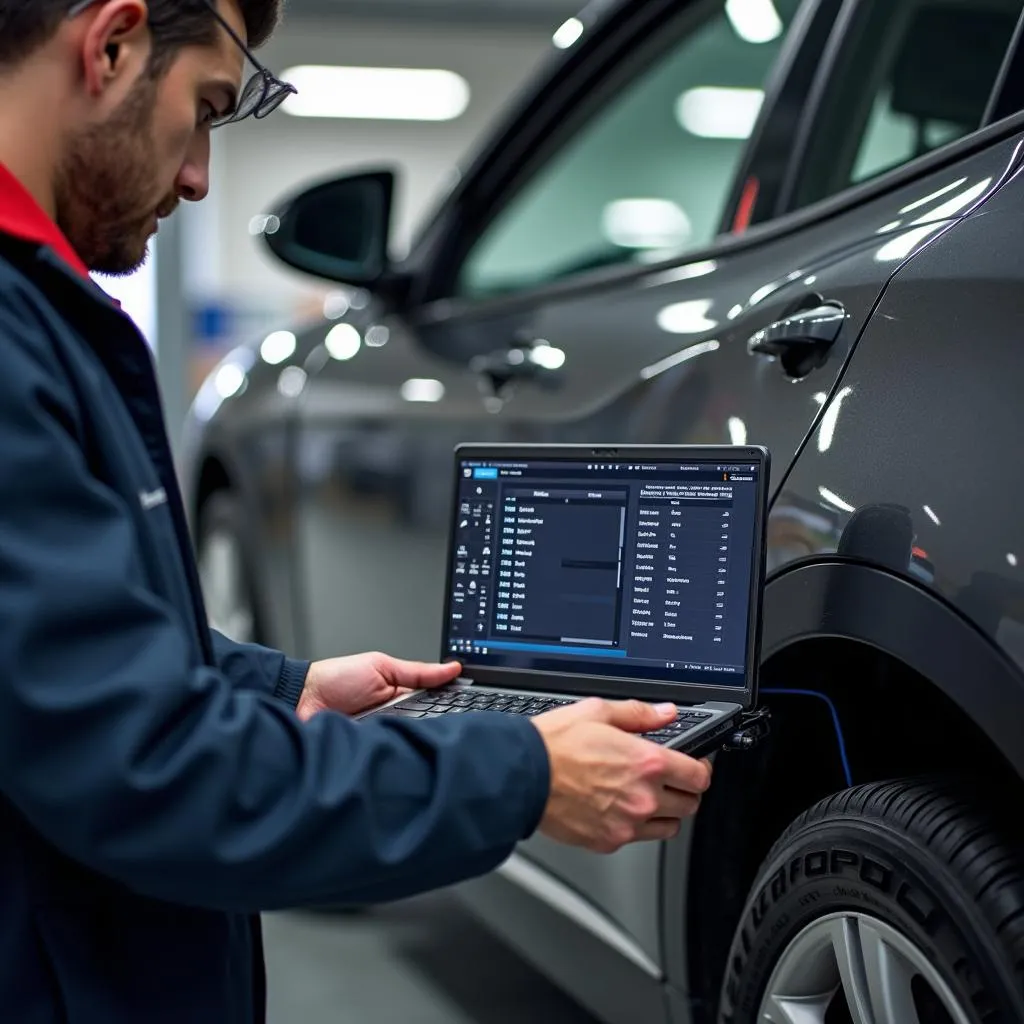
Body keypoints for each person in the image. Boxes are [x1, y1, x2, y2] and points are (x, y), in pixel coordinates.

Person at [0, 1, 713, 1021]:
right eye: (205, 107)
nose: (199, 173)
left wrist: (276, 687)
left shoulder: (35, 316)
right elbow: (147, 768)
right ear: (110, 45)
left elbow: (57, 658)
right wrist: (517, 772)